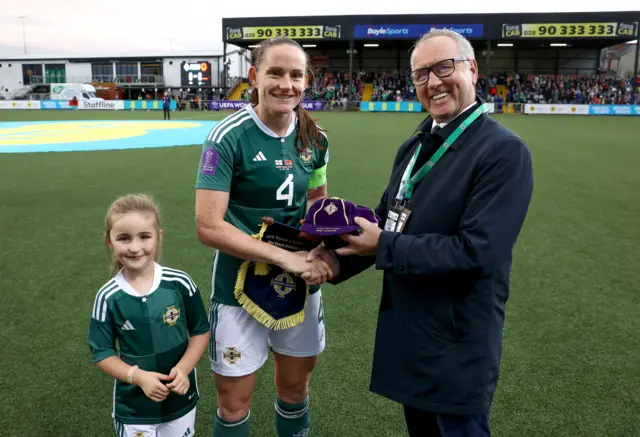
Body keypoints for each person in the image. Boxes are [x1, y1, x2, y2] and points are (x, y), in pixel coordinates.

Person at [306, 29, 534, 436]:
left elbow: (476, 251)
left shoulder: (503, 151)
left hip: (457, 344)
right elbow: (383, 224)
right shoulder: (414, 146)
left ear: (473, 70)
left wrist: (383, 244)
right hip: (412, 338)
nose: (433, 82)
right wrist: (331, 259)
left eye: (444, 67)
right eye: (420, 73)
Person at [194, 36, 333, 437]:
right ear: (254, 77)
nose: (285, 84)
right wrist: (283, 257)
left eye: (295, 75)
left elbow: (317, 205)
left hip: (298, 287)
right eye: (275, 72)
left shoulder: (317, 139)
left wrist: (325, 243)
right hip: (238, 288)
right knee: (234, 405)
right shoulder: (228, 136)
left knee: (294, 390)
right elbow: (208, 226)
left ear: (306, 81)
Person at [88, 193, 210, 437]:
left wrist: (184, 369)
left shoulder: (180, 283)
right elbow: (102, 353)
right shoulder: (108, 297)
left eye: (144, 237)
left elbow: (200, 330)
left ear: (158, 237)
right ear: (109, 241)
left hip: (180, 400)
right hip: (135, 409)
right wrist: (138, 377)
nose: (135, 247)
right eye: (124, 238)